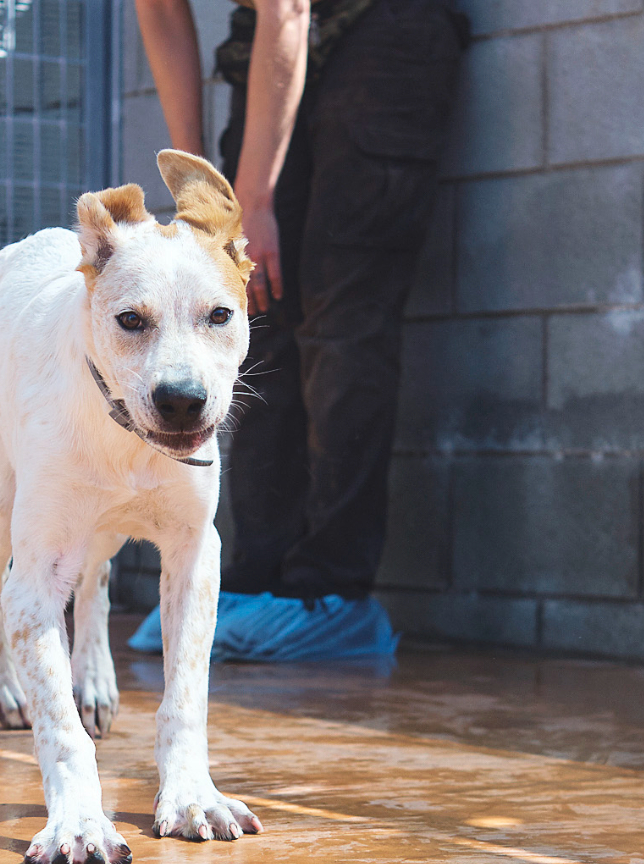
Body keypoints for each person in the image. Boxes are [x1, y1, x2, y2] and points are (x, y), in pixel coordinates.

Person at [129, 0, 468, 661]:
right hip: (268, 40)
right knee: (258, 306)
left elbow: (286, 8)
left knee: (343, 315)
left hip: (384, 24)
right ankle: (258, 580)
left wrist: (254, 203)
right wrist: (200, 194)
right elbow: (162, 12)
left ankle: (332, 591)